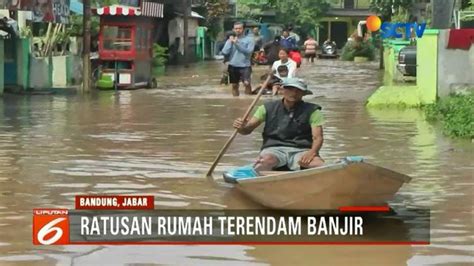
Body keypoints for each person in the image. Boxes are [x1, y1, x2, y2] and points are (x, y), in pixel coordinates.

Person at [233, 78, 325, 172]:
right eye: (290, 89)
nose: (294, 93)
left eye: (298, 91)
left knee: (319, 165)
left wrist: (312, 152)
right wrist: (241, 127)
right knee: (265, 162)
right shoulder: (266, 108)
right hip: (274, 149)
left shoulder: (313, 111)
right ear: (282, 90)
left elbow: (317, 138)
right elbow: (247, 130)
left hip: (301, 150)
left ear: (303, 94)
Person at [221, 21, 255, 96]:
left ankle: (248, 100)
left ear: (243, 29)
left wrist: (237, 43)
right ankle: (235, 100)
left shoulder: (249, 39)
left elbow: (248, 52)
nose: (238, 30)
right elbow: (224, 52)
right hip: (233, 65)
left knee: (246, 83)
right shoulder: (230, 40)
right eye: (236, 28)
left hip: (245, 65)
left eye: (240, 28)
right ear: (233, 29)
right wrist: (230, 42)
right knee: (234, 85)